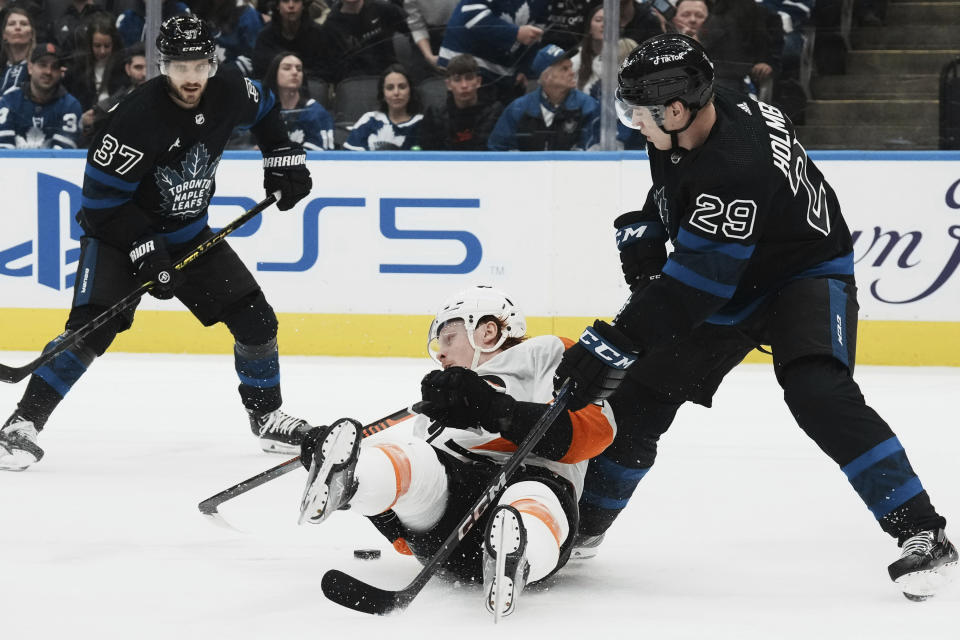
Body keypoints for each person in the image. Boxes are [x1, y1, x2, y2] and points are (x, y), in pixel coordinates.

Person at [552, 34, 958, 601]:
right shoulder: (700, 116)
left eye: (638, 112)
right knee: (640, 398)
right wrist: (653, 223)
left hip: (805, 273)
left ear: (675, 109)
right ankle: (580, 531)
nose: (631, 124)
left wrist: (614, 340)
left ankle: (923, 533)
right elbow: (683, 189)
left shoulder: (737, 166)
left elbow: (695, 289)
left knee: (819, 390)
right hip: (737, 267)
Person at [0, 15, 314, 472]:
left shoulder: (228, 88)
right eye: (180, 66)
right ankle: (22, 423)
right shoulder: (131, 120)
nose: (191, 78)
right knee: (92, 330)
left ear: (213, 62)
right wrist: (145, 249)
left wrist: (282, 156)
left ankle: (266, 418)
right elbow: (101, 204)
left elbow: (265, 109)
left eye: (200, 66)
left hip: (190, 236)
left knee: (257, 320)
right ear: (161, 64)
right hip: (117, 239)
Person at [297, 285, 616, 617]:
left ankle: (516, 558)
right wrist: (367, 491)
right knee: (416, 459)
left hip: (533, 480)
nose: (441, 354)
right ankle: (351, 477)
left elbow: (594, 433)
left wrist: (498, 410)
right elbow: (404, 535)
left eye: (448, 338)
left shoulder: (545, 352)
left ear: (488, 331)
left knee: (531, 497)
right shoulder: (439, 404)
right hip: (446, 532)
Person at [487, 43, 599, 151]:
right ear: (546, 77)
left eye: (571, 67)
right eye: (564, 69)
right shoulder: (518, 109)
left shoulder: (588, 106)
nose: (572, 73)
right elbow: (498, 147)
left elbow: (593, 149)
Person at [437, 0, 550, 104]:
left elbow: (536, 33)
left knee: (500, 117)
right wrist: (515, 33)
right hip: (467, 58)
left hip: (503, 68)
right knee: (474, 116)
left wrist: (523, 68)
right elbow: (471, 14)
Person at [0, 41, 82, 149]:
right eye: (42, 65)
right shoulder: (8, 101)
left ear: (60, 72)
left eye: (55, 67)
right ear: (30, 68)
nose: (48, 71)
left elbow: (62, 157)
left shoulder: (71, 106)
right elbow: (3, 152)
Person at [419, 53, 502, 151]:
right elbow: (428, 152)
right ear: (449, 84)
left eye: (469, 78)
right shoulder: (435, 113)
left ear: (478, 81)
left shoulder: (494, 111)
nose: (464, 85)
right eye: (457, 79)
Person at [316, 0, 407, 83]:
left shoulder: (383, 9)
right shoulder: (330, 26)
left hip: (390, 78)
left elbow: (414, 30)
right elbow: (332, 69)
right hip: (356, 84)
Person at [263, 51, 334, 150]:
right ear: (274, 73)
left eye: (299, 69)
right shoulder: (263, 111)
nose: (295, 72)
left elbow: (320, 155)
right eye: (287, 68)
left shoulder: (315, 112)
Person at [343, 63, 423, 151]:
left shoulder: (424, 124)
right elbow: (350, 161)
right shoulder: (369, 120)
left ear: (410, 91)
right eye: (390, 88)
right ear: (383, 94)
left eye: (402, 87)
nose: (396, 92)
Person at [79, 42, 147, 142]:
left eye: (149, 67)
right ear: (128, 69)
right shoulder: (114, 103)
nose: (144, 73)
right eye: (138, 67)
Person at [63, 12, 125, 111]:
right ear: (90, 44)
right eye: (97, 46)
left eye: (107, 46)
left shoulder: (123, 67)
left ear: (114, 43)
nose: (102, 51)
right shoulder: (78, 67)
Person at [251, 0, 325, 82]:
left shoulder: (317, 33)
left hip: (310, 82)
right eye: (285, 1)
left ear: (303, 5)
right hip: (275, 83)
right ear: (277, 6)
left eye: (296, 1)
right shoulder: (265, 36)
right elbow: (259, 70)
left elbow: (325, 68)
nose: (291, 5)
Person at [0, 7, 35, 94]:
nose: (18, 27)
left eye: (24, 24)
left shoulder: (38, 67)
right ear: (4, 35)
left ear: (31, 34)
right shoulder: (2, 67)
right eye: (12, 24)